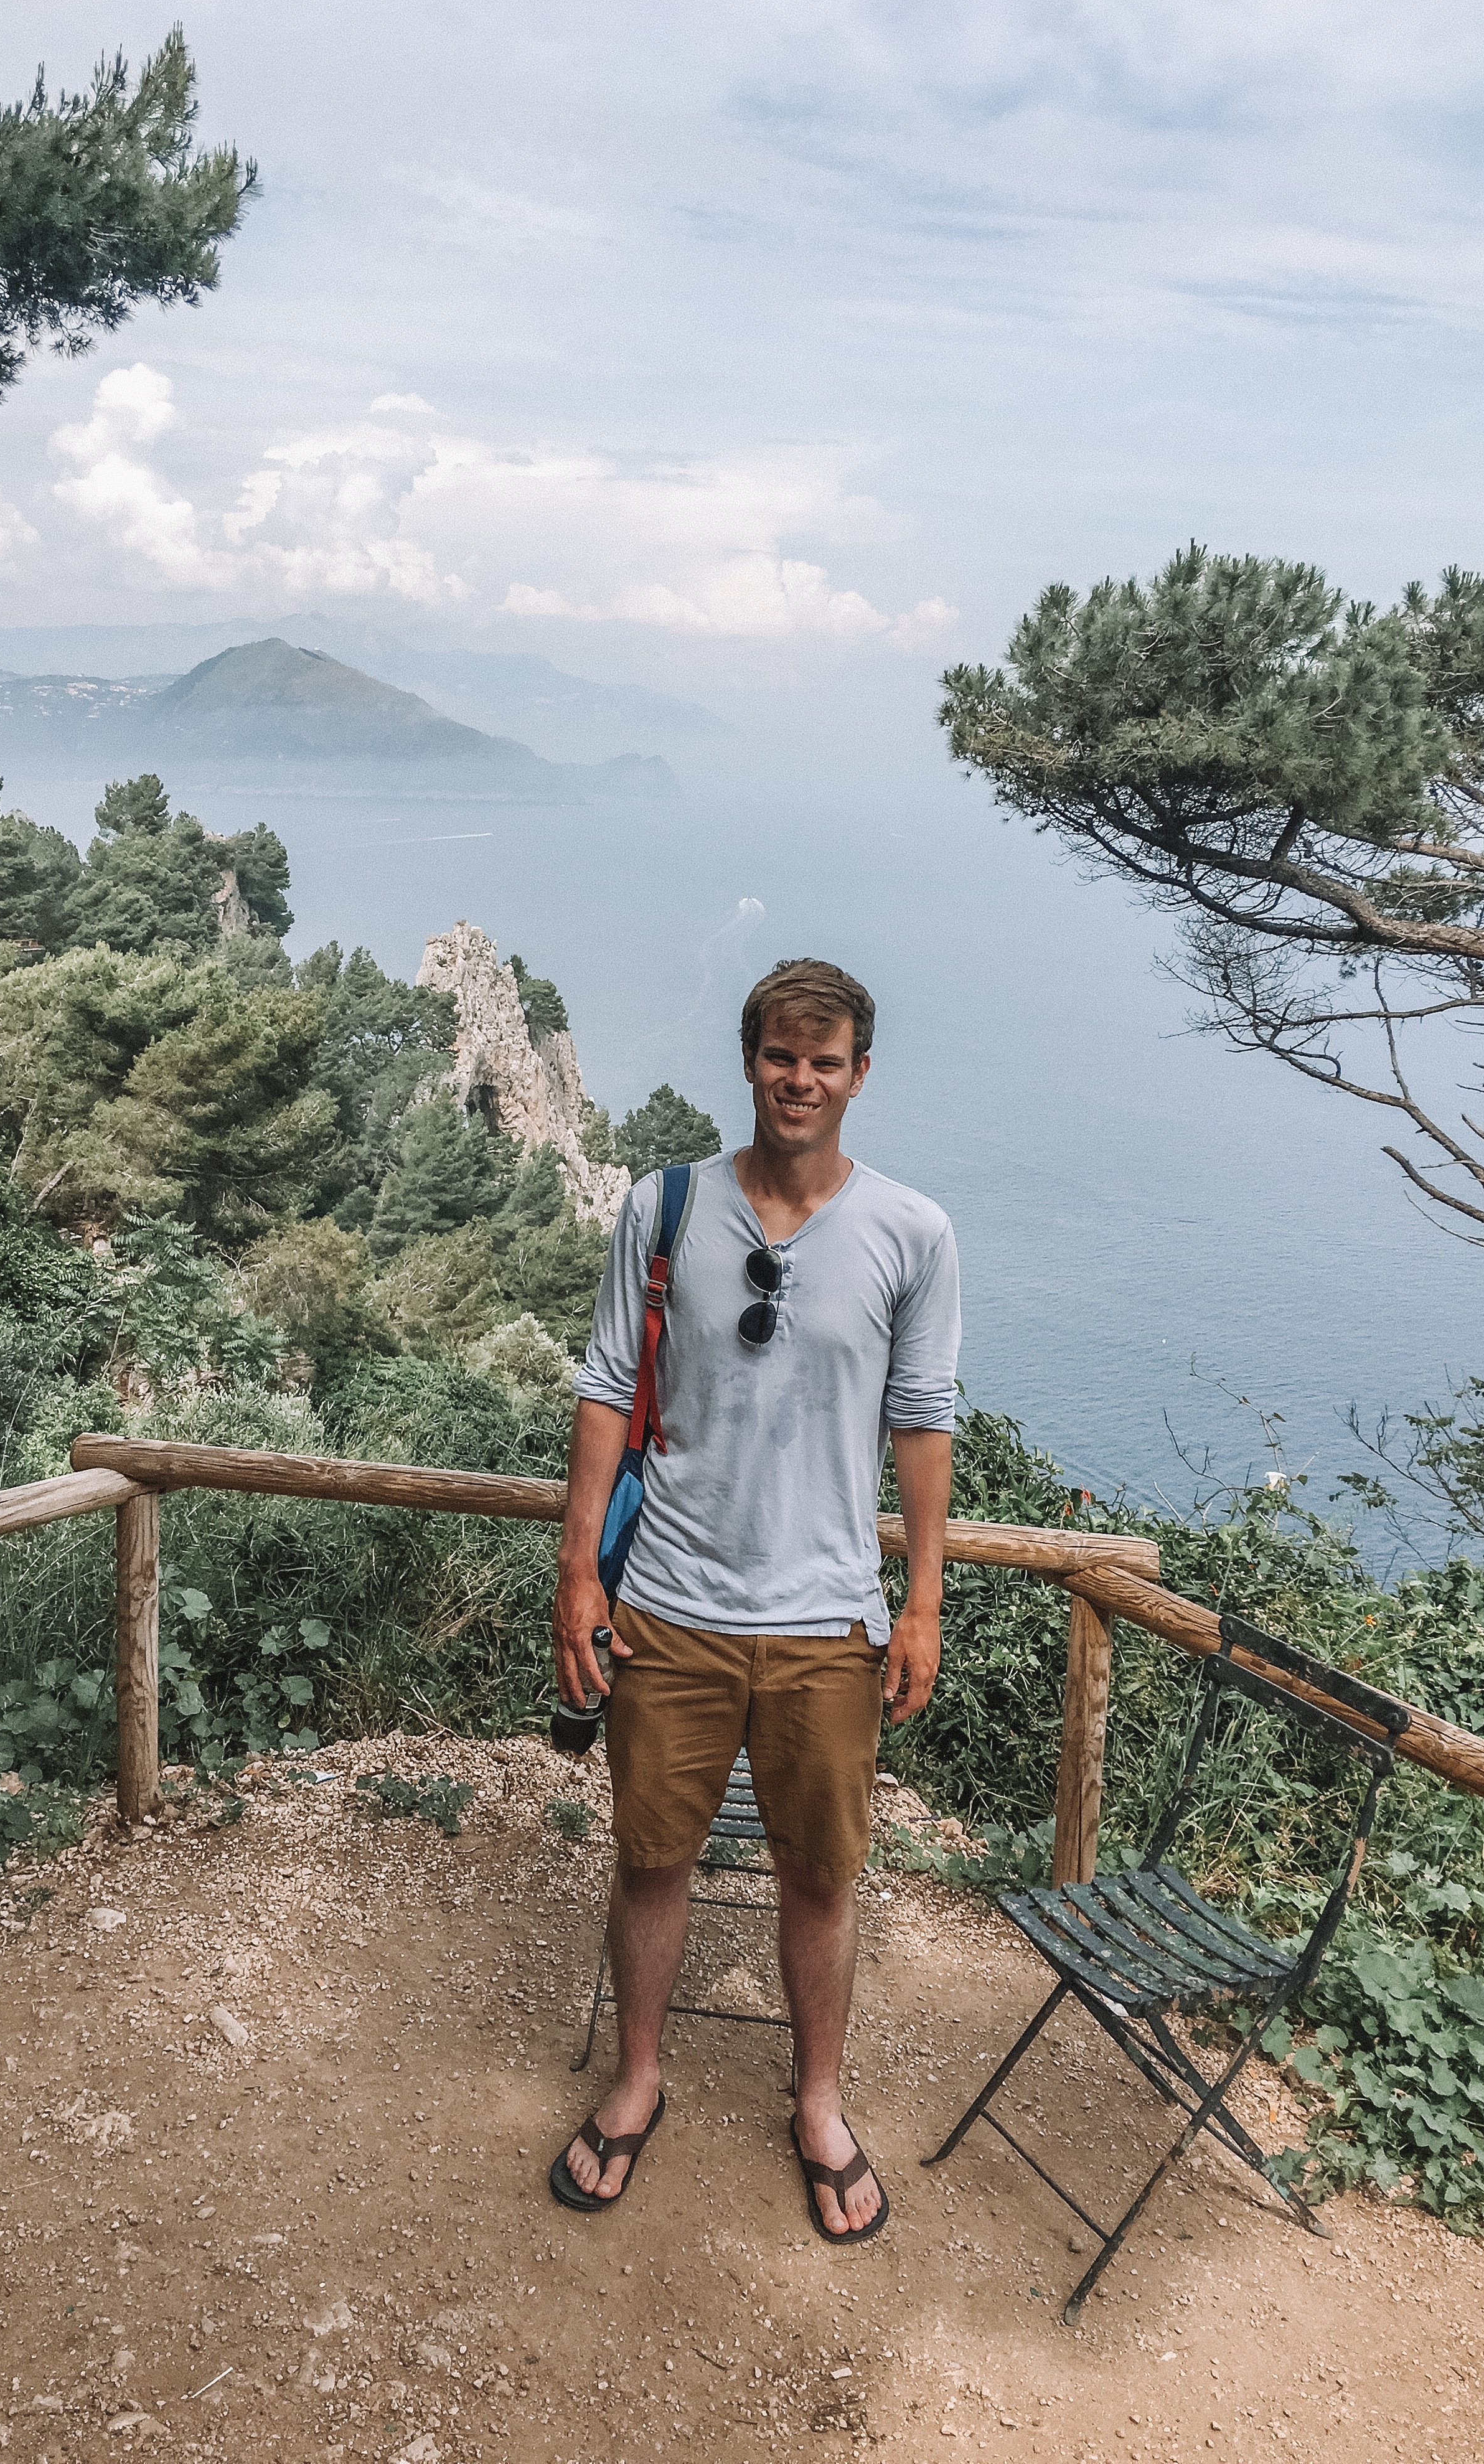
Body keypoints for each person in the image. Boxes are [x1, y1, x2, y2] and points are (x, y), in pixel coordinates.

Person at [548, 956, 959, 2240]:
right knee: (653, 1856)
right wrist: (576, 1573)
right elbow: (609, 1386)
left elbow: (924, 1420)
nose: (801, 1080)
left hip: (831, 1617)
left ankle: (819, 2104)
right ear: (753, 1061)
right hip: (668, 1600)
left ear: (859, 1076)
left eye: (825, 1061)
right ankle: (638, 2080)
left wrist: (926, 1596)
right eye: (783, 1056)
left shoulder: (913, 1234)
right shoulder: (665, 1209)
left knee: (823, 1876)